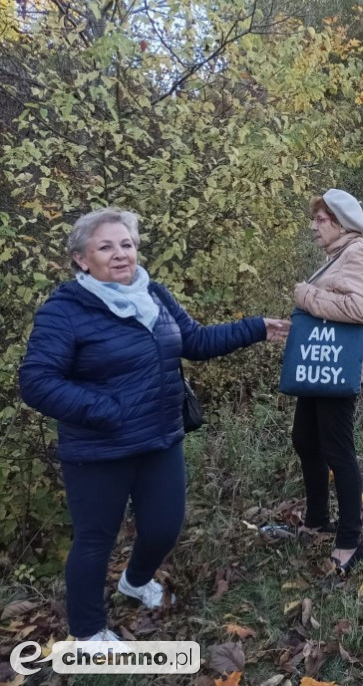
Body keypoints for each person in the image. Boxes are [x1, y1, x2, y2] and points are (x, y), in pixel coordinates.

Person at [18, 208, 290, 642]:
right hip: (99, 449)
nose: (121, 254)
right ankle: (88, 634)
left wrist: (255, 328)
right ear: (81, 259)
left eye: (126, 244)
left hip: (160, 436)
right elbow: (36, 381)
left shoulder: (154, 295)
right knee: (94, 541)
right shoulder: (65, 309)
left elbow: (194, 342)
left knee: (164, 525)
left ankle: (135, 579)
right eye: (106, 247)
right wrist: (105, 410)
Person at [292, 189, 363, 574]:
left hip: (339, 368)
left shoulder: (357, 253)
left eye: (320, 219)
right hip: (319, 364)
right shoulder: (338, 254)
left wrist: (307, 295)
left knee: (338, 451)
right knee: (305, 439)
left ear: (341, 223)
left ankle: (349, 540)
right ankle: (316, 520)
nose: (313, 226)